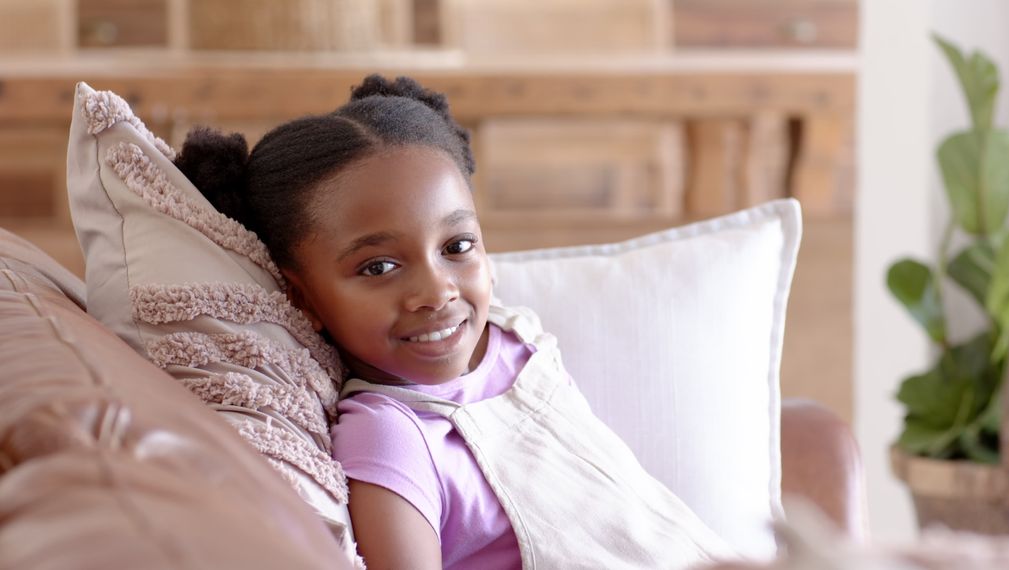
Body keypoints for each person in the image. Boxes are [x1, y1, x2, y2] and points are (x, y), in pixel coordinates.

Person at [175, 74, 734, 570]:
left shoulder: (519, 340)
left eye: (457, 245)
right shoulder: (391, 436)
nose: (436, 290)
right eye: (379, 266)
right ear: (303, 300)